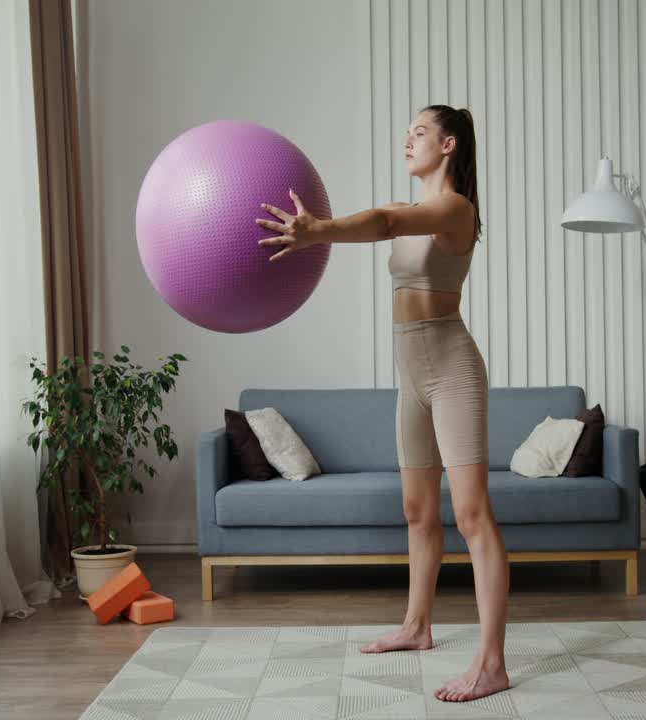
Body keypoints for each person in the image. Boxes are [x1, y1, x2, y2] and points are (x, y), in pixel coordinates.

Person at [254, 105, 508, 703]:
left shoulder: (455, 208)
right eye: (409, 131)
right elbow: (391, 219)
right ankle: (417, 627)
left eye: (420, 132)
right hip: (411, 375)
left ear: (448, 145)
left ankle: (492, 662)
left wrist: (318, 231)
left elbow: (387, 220)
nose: (408, 139)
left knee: (472, 515)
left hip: (452, 370)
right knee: (418, 511)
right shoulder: (424, 208)